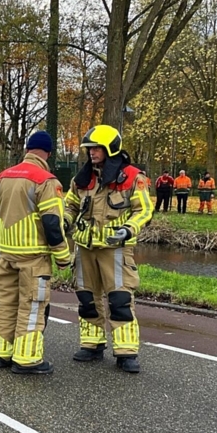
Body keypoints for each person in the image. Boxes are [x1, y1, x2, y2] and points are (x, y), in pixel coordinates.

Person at [64, 125, 154, 373]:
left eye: (96, 148)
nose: (91, 153)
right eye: (89, 149)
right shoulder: (83, 178)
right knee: (86, 299)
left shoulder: (133, 177)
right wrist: (63, 220)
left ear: (110, 149)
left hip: (115, 249)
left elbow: (144, 210)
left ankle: (126, 352)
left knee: (120, 300)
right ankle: (92, 345)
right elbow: (70, 205)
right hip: (84, 248)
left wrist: (127, 230)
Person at [0, 131, 72, 375]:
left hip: (6, 256)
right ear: (48, 153)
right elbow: (53, 225)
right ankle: (27, 359)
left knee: (6, 305)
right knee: (32, 306)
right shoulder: (47, 181)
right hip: (33, 258)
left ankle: (2, 354)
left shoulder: (3, 177)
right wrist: (63, 257)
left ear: (27, 149)